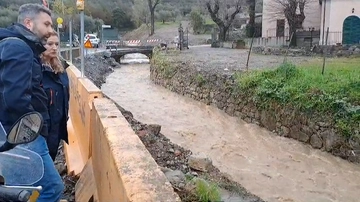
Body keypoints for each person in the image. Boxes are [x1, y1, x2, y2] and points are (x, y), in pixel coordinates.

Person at [0, 3, 64, 201]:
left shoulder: (18, 46)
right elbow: (15, 99)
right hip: (25, 137)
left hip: (18, 135)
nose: (51, 30)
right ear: (29, 23)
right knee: (51, 188)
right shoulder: (19, 48)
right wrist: (33, 128)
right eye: (46, 24)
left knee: (25, 189)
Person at [41, 31, 70, 161]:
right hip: (43, 131)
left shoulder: (61, 70)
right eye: (50, 44)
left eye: (57, 44)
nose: (54, 47)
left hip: (58, 126)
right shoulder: (36, 70)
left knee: (51, 157)